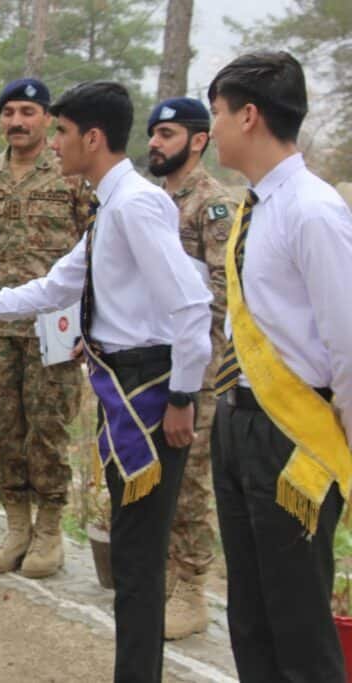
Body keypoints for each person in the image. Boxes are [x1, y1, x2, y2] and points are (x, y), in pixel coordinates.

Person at [0, 81, 212, 682]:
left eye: (61, 132)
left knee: (138, 560)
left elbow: (191, 307)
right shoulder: (113, 205)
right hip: (125, 387)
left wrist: (185, 396)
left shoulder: (134, 204)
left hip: (150, 394)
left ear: (92, 137)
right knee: (135, 560)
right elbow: (54, 286)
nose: (53, 144)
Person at [207, 51, 352, 682]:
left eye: (214, 114)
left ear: (249, 116)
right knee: (251, 615)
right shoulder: (257, 205)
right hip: (240, 423)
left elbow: (347, 339)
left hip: (293, 436)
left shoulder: (312, 211)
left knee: (297, 621)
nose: (209, 129)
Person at [0, 77, 88, 579]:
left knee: (49, 427)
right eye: (10, 111)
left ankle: (50, 532)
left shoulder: (72, 174)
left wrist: (88, 325)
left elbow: (93, 250)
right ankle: (16, 527)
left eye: (29, 112)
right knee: (2, 428)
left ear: (46, 119)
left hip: (54, 328)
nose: (17, 121)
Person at [146, 96, 237, 639]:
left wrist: (194, 364)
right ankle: (159, 574)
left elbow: (222, 294)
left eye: (169, 133)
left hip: (194, 365)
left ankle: (191, 587)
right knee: (152, 470)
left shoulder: (212, 205)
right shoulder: (150, 199)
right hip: (146, 360)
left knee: (190, 478)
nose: (155, 142)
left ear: (199, 140)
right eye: (154, 133)